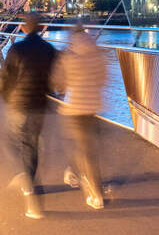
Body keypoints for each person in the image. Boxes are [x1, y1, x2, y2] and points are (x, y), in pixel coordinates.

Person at [0, 13, 57, 219]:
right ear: (40, 28)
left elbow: (5, 77)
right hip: (39, 104)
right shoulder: (49, 49)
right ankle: (29, 180)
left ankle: (26, 182)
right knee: (32, 145)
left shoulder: (16, 49)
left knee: (10, 142)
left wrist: (6, 96)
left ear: (24, 28)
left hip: (18, 103)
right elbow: (55, 79)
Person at [51, 19, 107, 209]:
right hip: (94, 106)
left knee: (83, 151)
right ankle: (77, 174)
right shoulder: (97, 53)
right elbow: (102, 79)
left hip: (75, 107)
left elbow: (59, 83)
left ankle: (96, 195)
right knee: (89, 149)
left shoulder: (68, 55)